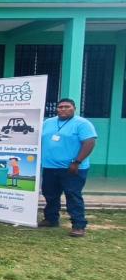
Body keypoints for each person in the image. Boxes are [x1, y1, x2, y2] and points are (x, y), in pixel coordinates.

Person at [40, 98, 97, 237]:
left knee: (73, 195)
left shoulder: (82, 124)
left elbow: (89, 142)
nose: (63, 109)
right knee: (50, 194)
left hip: (73, 168)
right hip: (49, 167)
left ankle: (78, 225)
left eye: (67, 107)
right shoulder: (48, 122)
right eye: (60, 107)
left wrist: (77, 161)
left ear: (74, 108)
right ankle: (51, 219)